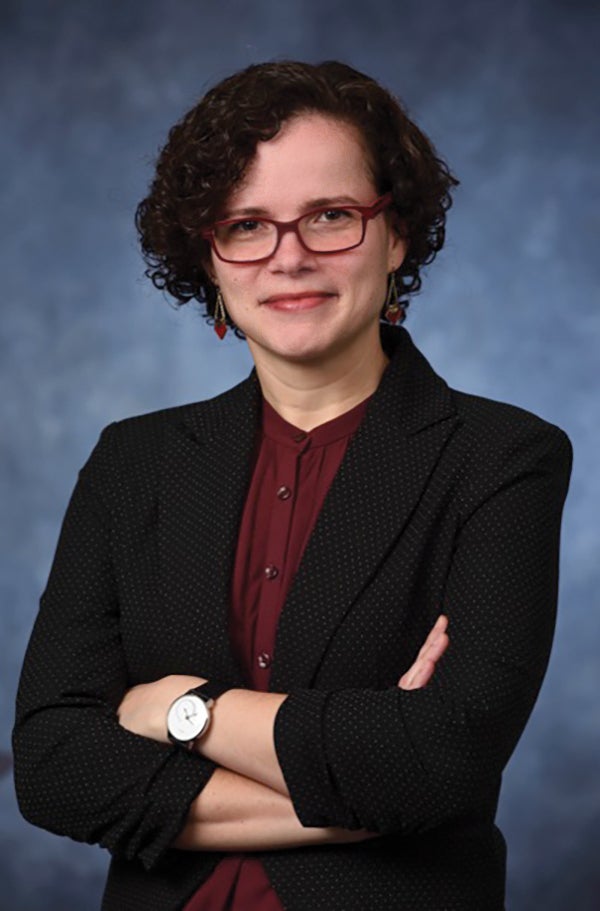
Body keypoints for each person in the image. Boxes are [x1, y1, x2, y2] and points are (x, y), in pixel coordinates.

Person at [13, 60, 572, 911]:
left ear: (396, 234)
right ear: (210, 254)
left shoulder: (502, 457)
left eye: (331, 216)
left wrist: (182, 710)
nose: (289, 257)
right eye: (246, 225)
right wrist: (352, 796)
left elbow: (444, 758)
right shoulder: (133, 463)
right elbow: (53, 763)